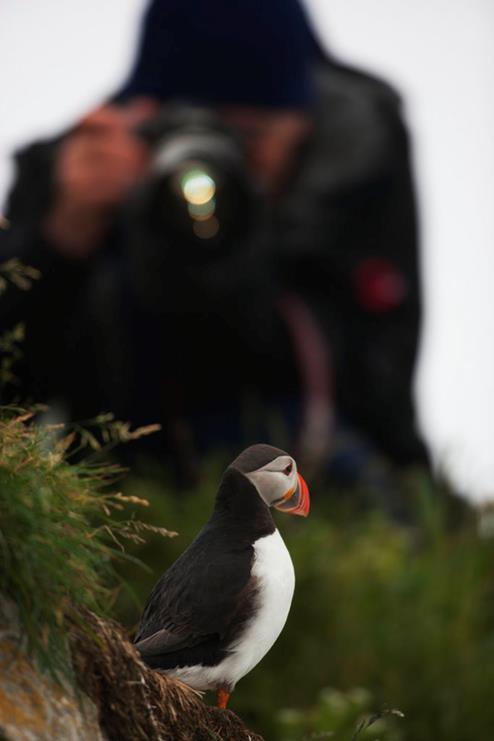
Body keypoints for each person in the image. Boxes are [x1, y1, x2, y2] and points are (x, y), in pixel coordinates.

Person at [1, 0, 426, 482]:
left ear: (302, 123)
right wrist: (61, 238)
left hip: (313, 456)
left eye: (248, 134)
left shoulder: (352, 166)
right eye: (179, 130)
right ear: (140, 114)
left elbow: (374, 381)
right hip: (112, 465)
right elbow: (12, 388)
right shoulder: (80, 167)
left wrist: (239, 251)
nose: (210, 163)